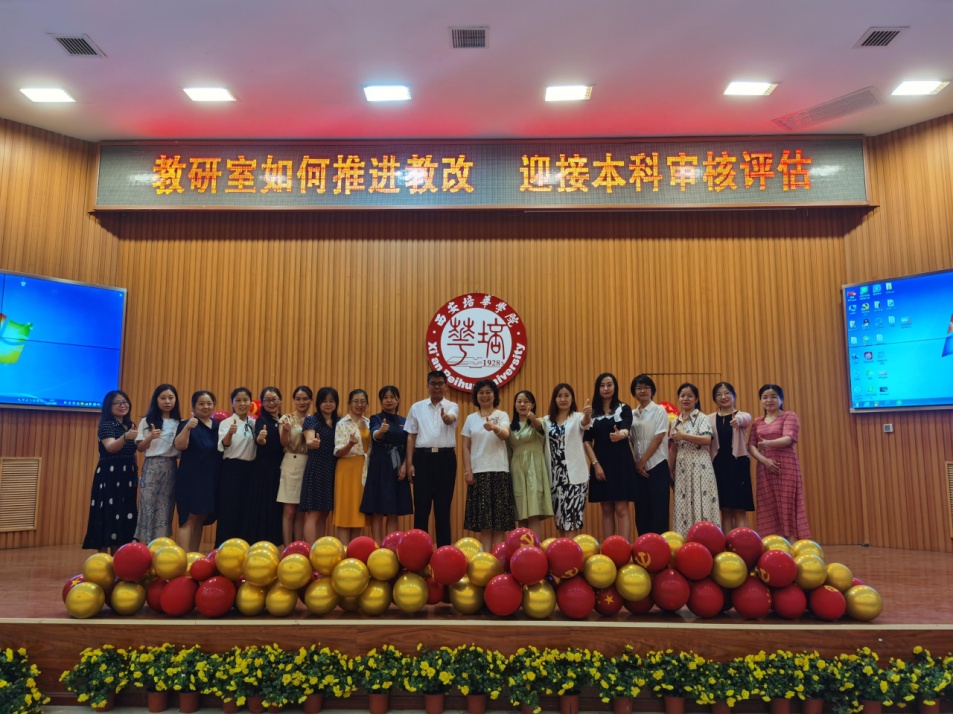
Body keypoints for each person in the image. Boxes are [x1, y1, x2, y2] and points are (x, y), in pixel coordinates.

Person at [747, 384, 811, 541]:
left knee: (787, 504)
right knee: (767, 504)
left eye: (773, 396)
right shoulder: (757, 422)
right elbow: (751, 445)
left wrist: (768, 443)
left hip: (785, 466)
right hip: (764, 467)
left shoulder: (789, 416)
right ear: (760, 400)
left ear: (781, 399)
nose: (769, 400)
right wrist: (764, 461)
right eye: (765, 397)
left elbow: (789, 438)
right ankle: (772, 544)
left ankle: (792, 544)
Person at [404, 370, 459, 547]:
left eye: (440, 383)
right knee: (421, 507)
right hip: (422, 459)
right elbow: (411, 436)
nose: (437, 387)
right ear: (428, 386)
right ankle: (419, 551)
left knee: (443, 508)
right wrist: (410, 463)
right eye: (433, 383)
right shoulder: (416, 407)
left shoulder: (452, 406)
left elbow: (451, 419)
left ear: (446, 386)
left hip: (445, 459)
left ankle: (444, 551)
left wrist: (446, 417)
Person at [83, 390, 139, 552]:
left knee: (124, 513)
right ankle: (103, 557)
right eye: (117, 403)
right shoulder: (106, 425)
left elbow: (134, 452)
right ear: (109, 406)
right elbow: (110, 447)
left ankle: (119, 556)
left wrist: (136, 472)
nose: (122, 405)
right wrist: (125, 437)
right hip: (110, 475)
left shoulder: (130, 425)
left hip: (128, 475)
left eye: (125, 402)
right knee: (107, 513)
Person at [462, 379, 515, 551]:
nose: (484, 396)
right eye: (481, 392)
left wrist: (494, 427)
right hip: (479, 471)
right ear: (476, 396)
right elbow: (465, 447)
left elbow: (505, 434)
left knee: (499, 521)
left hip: (500, 470)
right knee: (484, 521)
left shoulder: (502, 415)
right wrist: (467, 471)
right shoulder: (471, 419)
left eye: (488, 392)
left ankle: (499, 554)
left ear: (494, 395)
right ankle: (485, 555)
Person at [583, 372, 637, 539]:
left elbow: (626, 427)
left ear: (615, 387)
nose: (606, 388)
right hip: (601, 464)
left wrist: (621, 434)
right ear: (597, 389)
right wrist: (595, 464)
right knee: (606, 509)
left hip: (621, 463)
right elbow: (586, 441)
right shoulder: (592, 414)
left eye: (609, 385)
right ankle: (609, 548)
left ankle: (623, 547)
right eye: (602, 385)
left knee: (621, 508)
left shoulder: (624, 409)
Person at [360, 385, 412, 544]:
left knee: (393, 510)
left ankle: (391, 545)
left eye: (392, 397)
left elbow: (409, 445)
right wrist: (381, 431)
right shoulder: (376, 418)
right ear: (381, 401)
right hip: (380, 466)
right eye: (385, 398)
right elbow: (375, 435)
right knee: (377, 509)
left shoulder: (405, 421)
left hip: (399, 466)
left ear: (398, 400)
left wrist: (405, 465)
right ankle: (377, 545)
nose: (388, 400)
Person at [541, 383, 592, 537]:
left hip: (574, 476)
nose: (563, 399)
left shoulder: (578, 417)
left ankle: (570, 552)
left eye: (566, 396)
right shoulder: (546, 420)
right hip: (555, 476)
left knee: (572, 519)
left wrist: (587, 414)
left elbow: (585, 424)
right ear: (554, 399)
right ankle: (563, 550)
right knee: (560, 521)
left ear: (572, 398)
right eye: (559, 396)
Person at [669, 382, 720, 535]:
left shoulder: (702, 418)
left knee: (701, 502)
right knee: (683, 505)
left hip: (700, 467)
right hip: (682, 470)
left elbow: (707, 440)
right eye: (682, 396)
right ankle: (684, 540)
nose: (686, 399)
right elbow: (674, 449)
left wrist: (684, 436)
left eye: (690, 396)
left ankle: (705, 538)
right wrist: (669, 471)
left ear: (696, 399)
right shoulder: (675, 422)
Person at [173, 390, 222, 552]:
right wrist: (187, 428)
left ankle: (194, 555)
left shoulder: (218, 427)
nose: (206, 407)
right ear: (194, 406)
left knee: (201, 517)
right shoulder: (187, 424)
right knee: (189, 518)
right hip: (190, 479)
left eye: (209, 403)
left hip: (210, 479)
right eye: (201, 404)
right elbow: (179, 446)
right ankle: (184, 557)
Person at [133, 383, 181, 543]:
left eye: (171, 398)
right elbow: (140, 448)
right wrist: (150, 437)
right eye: (163, 398)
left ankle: (160, 543)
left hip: (171, 466)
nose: (167, 401)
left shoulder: (179, 422)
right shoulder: (146, 421)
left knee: (165, 507)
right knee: (147, 505)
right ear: (156, 400)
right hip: (152, 466)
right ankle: (144, 545)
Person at [708, 381, 754, 532]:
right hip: (718, 466)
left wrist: (738, 421)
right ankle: (728, 544)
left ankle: (743, 543)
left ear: (734, 396)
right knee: (725, 510)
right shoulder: (709, 418)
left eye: (727, 393)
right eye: (719, 394)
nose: (723, 397)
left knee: (740, 509)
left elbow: (746, 419)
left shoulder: (741, 415)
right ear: (715, 399)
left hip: (738, 465)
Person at [629, 374, 671, 535]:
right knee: (641, 513)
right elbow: (630, 440)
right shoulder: (632, 414)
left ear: (652, 391)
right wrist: (636, 463)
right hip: (638, 469)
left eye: (646, 387)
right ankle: (643, 546)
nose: (643, 391)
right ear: (634, 392)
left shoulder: (659, 410)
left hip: (657, 465)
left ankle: (660, 548)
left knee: (659, 512)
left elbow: (659, 437)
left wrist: (643, 460)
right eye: (639, 388)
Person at [506, 389, 553, 536]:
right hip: (517, 470)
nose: (522, 404)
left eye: (526, 401)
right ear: (515, 405)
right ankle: (522, 548)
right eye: (519, 401)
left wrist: (532, 418)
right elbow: (509, 453)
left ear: (532, 405)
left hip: (534, 467)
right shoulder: (509, 427)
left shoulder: (540, 422)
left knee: (533, 513)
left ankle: (535, 547)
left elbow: (539, 426)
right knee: (521, 515)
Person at [216, 387, 257, 544]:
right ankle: (223, 547)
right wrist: (230, 433)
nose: (242, 404)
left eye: (245, 400)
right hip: (231, 469)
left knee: (247, 510)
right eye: (238, 400)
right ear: (232, 403)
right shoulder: (226, 423)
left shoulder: (253, 423)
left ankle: (244, 547)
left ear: (251, 403)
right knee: (229, 509)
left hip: (250, 470)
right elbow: (224, 446)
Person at [300, 387, 339, 543]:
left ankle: (320, 548)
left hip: (333, 469)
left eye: (332, 401)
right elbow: (309, 440)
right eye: (324, 401)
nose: (328, 404)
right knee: (314, 513)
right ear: (318, 403)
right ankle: (311, 549)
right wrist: (312, 443)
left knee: (325, 513)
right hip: (317, 468)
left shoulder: (339, 421)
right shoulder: (312, 420)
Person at [333, 388, 371, 543]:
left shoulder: (369, 422)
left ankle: (355, 551)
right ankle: (343, 550)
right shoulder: (342, 424)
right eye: (356, 401)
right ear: (349, 403)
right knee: (345, 510)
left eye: (363, 401)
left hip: (364, 467)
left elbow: (370, 447)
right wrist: (349, 444)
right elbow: (338, 452)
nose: (359, 405)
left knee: (358, 513)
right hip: (347, 468)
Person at [248, 386, 284, 545]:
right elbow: (259, 440)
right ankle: (262, 543)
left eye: (274, 399)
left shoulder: (284, 419)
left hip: (281, 467)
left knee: (278, 507)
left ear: (280, 401)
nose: (271, 403)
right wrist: (261, 439)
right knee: (265, 505)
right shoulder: (261, 420)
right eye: (267, 400)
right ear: (262, 403)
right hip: (265, 469)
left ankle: (277, 543)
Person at [277, 385, 312, 546]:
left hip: (309, 464)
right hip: (291, 461)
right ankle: (287, 547)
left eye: (305, 399)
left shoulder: (314, 419)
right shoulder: (286, 418)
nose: (301, 402)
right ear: (294, 401)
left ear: (311, 400)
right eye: (298, 399)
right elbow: (283, 443)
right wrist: (285, 431)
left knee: (301, 511)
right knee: (289, 510)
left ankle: (298, 547)